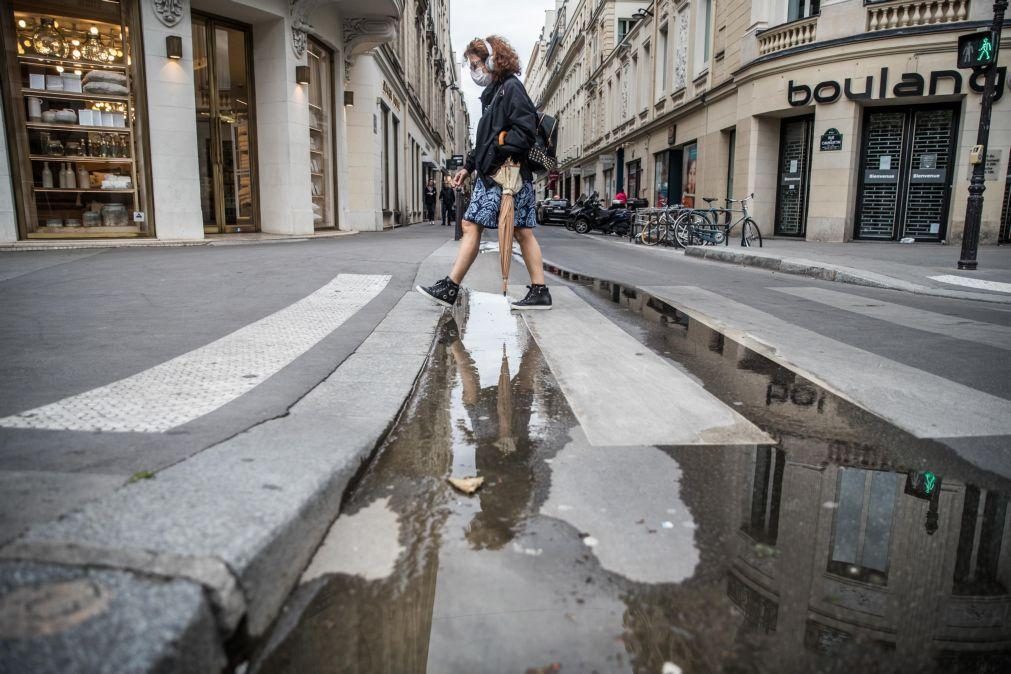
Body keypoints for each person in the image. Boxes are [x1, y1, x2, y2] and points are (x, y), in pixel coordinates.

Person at [417, 36, 551, 311]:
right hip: (498, 174)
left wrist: (500, 143)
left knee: (479, 226)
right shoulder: (495, 93)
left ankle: (451, 287)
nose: (473, 70)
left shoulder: (511, 88)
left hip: (504, 175)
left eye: (475, 64)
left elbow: (524, 133)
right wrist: (468, 166)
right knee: (518, 231)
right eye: (470, 65)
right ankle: (539, 290)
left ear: (492, 60)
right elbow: (484, 140)